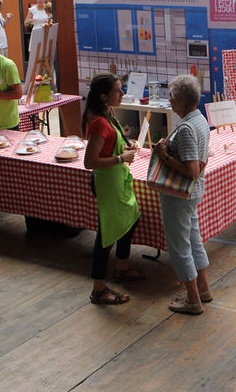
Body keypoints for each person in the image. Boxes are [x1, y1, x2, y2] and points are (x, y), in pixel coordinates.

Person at [152, 75, 212, 314]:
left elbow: (191, 170)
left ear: (178, 100)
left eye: (170, 97)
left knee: (179, 247)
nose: (169, 101)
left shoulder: (186, 128)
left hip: (179, 196)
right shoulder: (199, 121)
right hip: (193, 194)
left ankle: (192, 299)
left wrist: (163, 154)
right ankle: (204, 289)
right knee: (194, 241)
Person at [82, 74, 141, 306]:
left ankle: (122, 267)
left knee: (131, 217)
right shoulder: (98, 122)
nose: (122, 94)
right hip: (107, 182)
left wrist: (128, 145)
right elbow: (90, 162)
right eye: (118, 90)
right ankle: (98, 289)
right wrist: (120, 158)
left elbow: (113, 143)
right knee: (106, 234)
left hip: (117, 180)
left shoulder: (109, 115)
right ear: (103, 96)